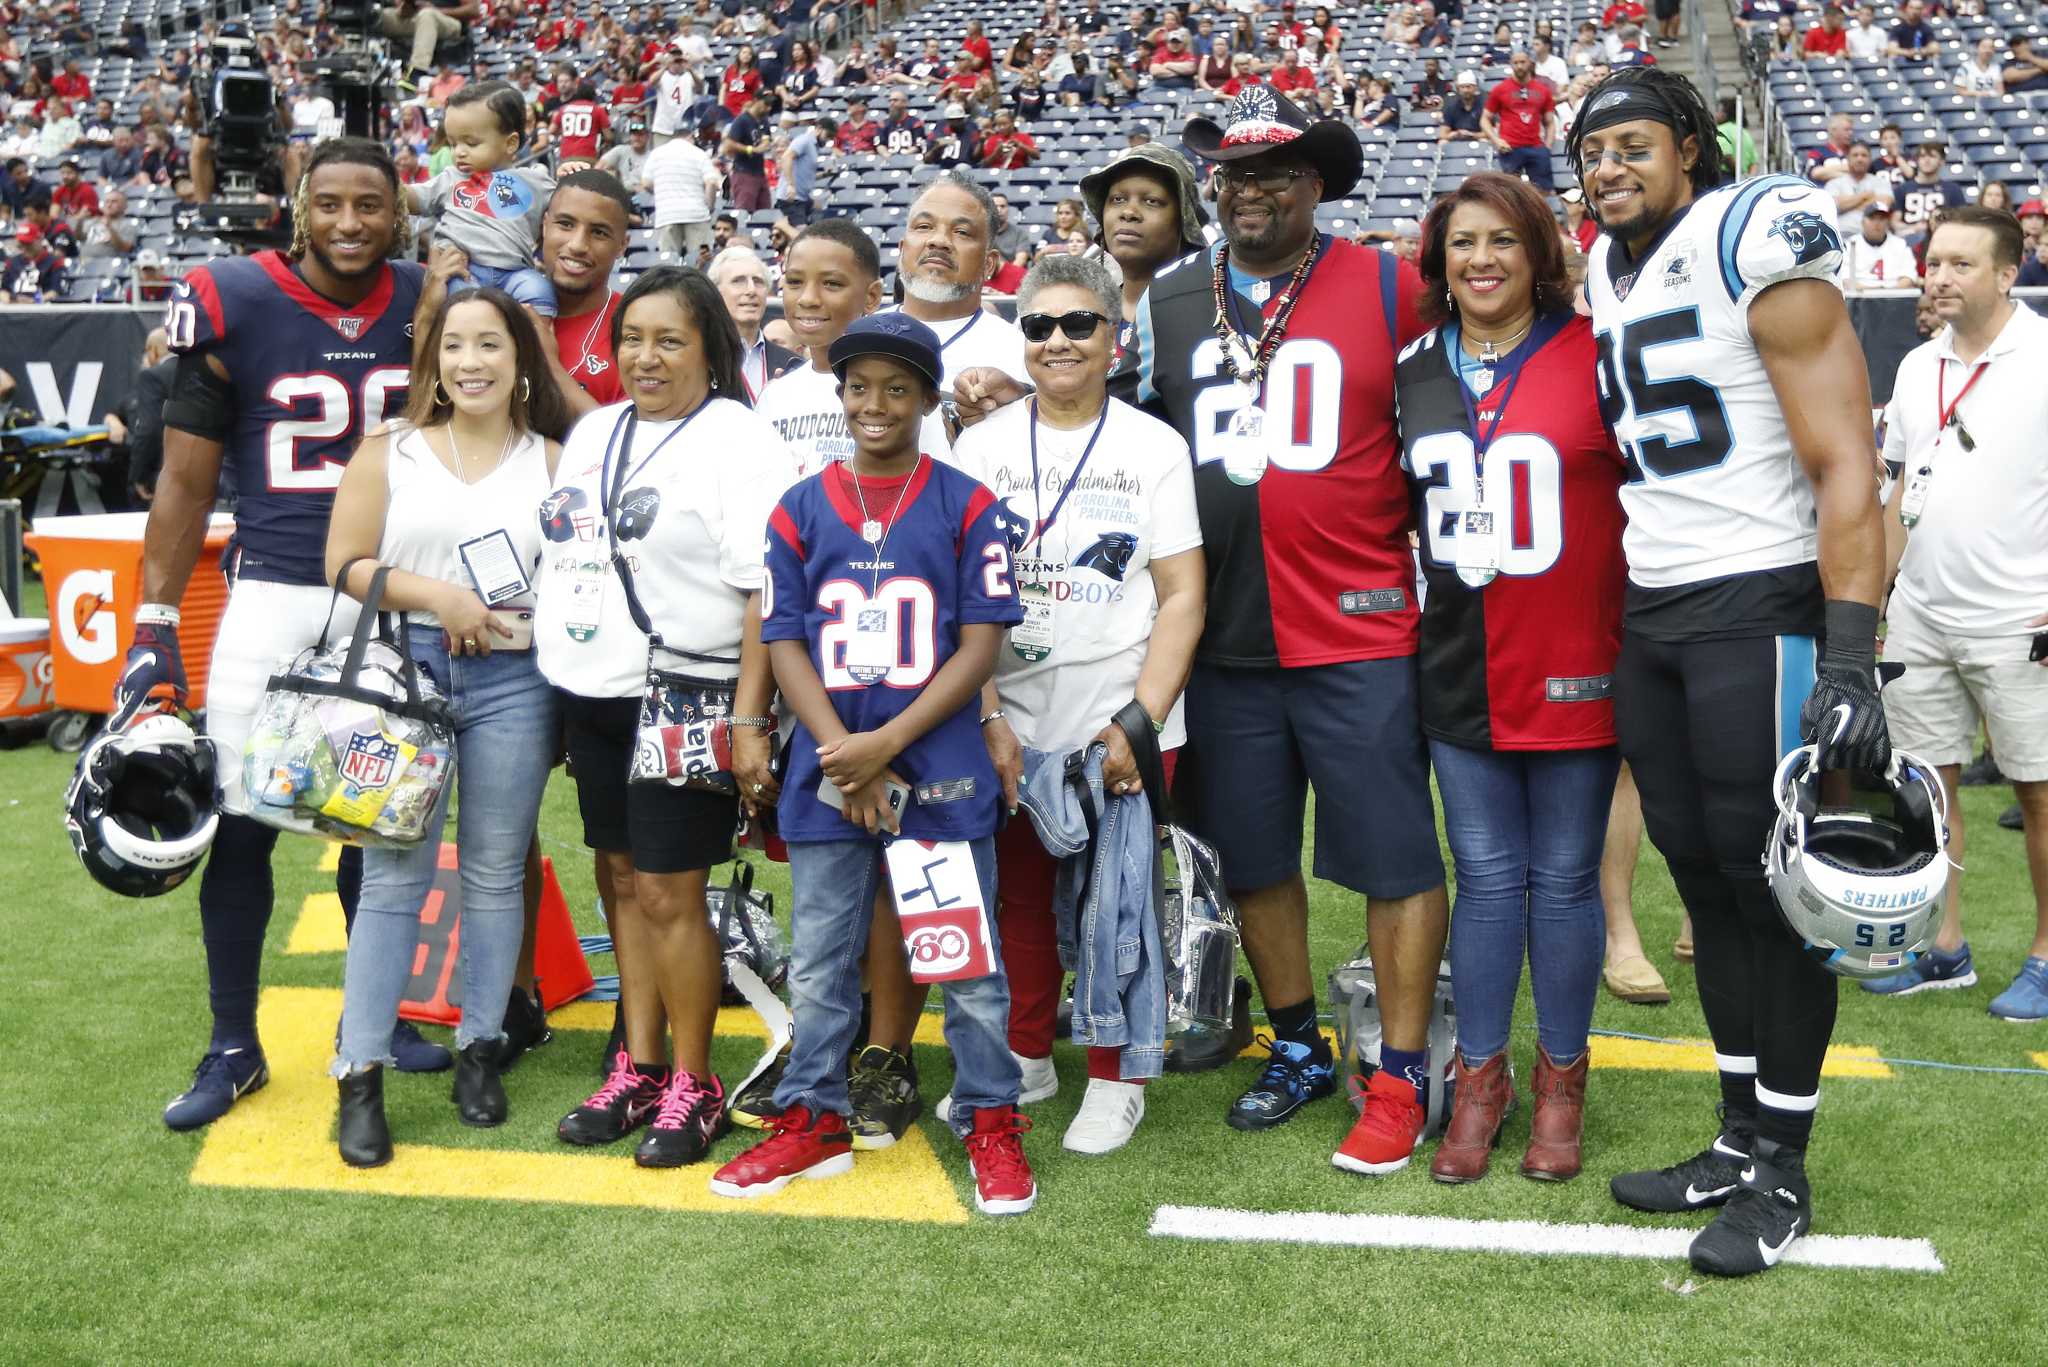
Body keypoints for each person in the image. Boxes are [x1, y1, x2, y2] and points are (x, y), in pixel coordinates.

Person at [964, 88, 1448, 1168]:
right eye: (1232, 173)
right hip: (1224, 632)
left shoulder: (1385, 282)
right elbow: (1112, 423)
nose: (1251, 189)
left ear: (1315, 181)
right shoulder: (1174, 293)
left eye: (1274, 170)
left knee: (1391, 855)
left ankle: (1404, 1068)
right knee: (1252, 854)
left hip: (1357, 620)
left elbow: (1456, 412)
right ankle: (1292, 1040)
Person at [1572, 67, 1892, 1276]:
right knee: (1700, 882)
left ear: (1692, 148)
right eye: (1591, 151)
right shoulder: (1607, 266)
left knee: (1770, 892)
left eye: (1632, 144)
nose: (1608, 167)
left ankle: (1785, 1169)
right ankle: (1734, 1132)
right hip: (1656, 608)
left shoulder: (1749, 227)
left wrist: (1850, 650)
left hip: (1756, 599)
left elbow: (1844, 458)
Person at [113, 139, 446, 1132]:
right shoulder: (233, 295)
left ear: (397, 213)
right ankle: (232, 1041)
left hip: (383, 596)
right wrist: (154, 621)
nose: (352, 224)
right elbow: (183, 476)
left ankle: (372, 1018)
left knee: (369, 824)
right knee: (245, 824)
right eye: (333, 204)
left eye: (371, 206)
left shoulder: (428, 299)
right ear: (301, 207)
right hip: (272, 594)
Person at [711, 312, 1034, 1213]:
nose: (876, 404)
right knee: (819, 960)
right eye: (859, 387)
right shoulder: (800, 505)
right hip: (831, 764)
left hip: (935, 765)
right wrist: (838, 755)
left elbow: (979, 649)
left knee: (963, 962)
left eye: (898, 387)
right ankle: (812, 1117)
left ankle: (991, 1115)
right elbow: (781, 637)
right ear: (839, 394)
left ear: (931, 399)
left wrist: (883, 747)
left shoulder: (968, 503)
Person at [1395, 173, 1627, 1183]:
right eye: (1459, 244)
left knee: (1564, 877)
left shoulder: (1597, 355)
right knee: (1486, 877)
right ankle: (1480, 1076)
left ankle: (1561, 1080)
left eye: (1500, 241)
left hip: (1576, 649)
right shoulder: (1408, 367)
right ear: (1436, 261)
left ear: (1538, 252)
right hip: (1456, 653)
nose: (1479, 260)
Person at [532, 266, 787, 1166]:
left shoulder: (739, 441)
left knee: (671, 892)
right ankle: (637, 1064)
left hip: (691, 689)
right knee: (619, 877)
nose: (645, 355)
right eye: (632, 337)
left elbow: (765, 592)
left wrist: (750, 719)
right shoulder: (595, 428)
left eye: (669, 339)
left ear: (710, 349)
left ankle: (694, 1079)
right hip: (592, 691)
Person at [955, 253, 1206, 1155]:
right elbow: (961, 592)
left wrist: (1139, 718)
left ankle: (1116, 1073)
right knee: (1015, 896)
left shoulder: (1153, 445)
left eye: (1078, 324)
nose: (1057, 341)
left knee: (1120, 899)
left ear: (1114, 336)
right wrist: (985, 713)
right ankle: (1027, 1054)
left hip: (1120, 706)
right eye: (1038, 325)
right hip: (1012, 710)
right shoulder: (979, 448)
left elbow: (1182, 592)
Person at [322, 289, 571, 1166]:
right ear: (432, 360)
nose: (472, 362)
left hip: (518, 673)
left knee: (500, 870)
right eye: (454, 346)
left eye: (491, 345)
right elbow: (345, 565)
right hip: (406, 673)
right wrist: (442, 597)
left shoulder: (551, 458)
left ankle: (479, 1047)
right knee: (395, 876)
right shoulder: (389, 449)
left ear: (519, 357)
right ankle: (360, 1073)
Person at [1867, 207, 2048, 1019]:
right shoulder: (1914, 366)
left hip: (2023, 616)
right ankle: (1941, 948)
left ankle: (2047, 956)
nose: (1937, 276)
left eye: (1959, 264)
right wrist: (1877, 593)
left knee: (2040, 792)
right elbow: (1904, 488)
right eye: (1932, 261)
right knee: (1924, 790)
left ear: (2008, 274)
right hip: (1922, 615)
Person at [876, 171, 1028, 467]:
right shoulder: (855, 341)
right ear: (902, 249)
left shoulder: (1022, 355)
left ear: (989, 264)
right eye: (924, 226)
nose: (939, 241)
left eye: (961, 232)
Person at [406, 82, 557, 317]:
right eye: (453, 143)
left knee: (540, 289)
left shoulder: (535, 180)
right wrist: (383, 183)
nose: (459, 152)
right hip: (463, 272)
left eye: (471, 143)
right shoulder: (451, 178)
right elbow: (414, 198)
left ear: (510, 143)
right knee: (466, 307)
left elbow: (570, 203)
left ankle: (541, 346)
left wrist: (572, 173)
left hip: (515, 273)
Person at [756, 217, 885, 479]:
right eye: (794, 282)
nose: (808, 299)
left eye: (832, 284)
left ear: (871, 297)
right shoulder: (773, 397)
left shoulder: (900, 394)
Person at [1081, 142, 1209, 365]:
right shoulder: (1081, 313)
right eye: (1117, 200)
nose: (1129, 212)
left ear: (1183, 222)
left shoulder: (1214, 313)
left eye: (1152, 201)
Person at [707, 244, 802, 400]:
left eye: (758, 281)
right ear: (716, 292)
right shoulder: (701, 359)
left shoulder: (793, 364)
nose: (751, 290)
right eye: (738, 281)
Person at [641, 121, 720, 263]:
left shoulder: (657, 154)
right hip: (696, 214)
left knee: (669, 264)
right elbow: (712, 182)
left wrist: (661, 192)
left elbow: (646, 183)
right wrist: (710, 206)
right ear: (690, 137)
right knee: (699, 262)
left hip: (667, 214)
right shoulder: (698, 153)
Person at [1483, 52, 1559, 191]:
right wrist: (1496, 140)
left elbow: (1550, 121)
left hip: (1536, 147)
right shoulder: (1500, 90)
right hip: (1510, 148)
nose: (1519, 66)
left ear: (1529, 63)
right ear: (1511, 64)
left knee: (1544, 191)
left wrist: (1547, 147)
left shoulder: (1543, 91)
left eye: (1523, 62)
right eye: (1516, 63)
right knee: (1511, 193)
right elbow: (1485, 119)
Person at [1894, 141, 1969, 245]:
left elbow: (1962, 221)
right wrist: (1914, 228)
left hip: (1943, 241)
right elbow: (1894, 223)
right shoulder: (1902, 189)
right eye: (1923, 156)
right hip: (1908, 242)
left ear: (1942, 161)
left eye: (1932, 156)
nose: (1927, 160)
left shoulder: (1953, 189)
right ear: (1917, 160)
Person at [720, 93, 775, 219]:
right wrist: (751, 149)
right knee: (744, 214)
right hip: (744, 173)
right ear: (756, 100)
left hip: (760, 173)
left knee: (765, 214)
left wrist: (765, 144)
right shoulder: (742, 120)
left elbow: (766, 138)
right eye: (766, 104)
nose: (768, 108)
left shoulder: (764, 120)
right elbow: (728, 145)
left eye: (770, 105)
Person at [1842, 203, 1917, 289]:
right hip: (1859, 298)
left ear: (1888, 222)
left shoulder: (1900, 245)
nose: (1877, 223)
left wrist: (1888, 294)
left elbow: (1908, 278)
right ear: (1862, 222)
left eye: (1881, 219)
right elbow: (1845, 280)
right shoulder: (1850, 245)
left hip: (1894, 297)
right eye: (1872, 218)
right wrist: (1873, 294)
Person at [1827, 141, 1893, 238]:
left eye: (1864, 155)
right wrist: (1864, 196)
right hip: (1842, 235)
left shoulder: (1881, 182)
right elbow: (1833, 207)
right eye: (1855, 155)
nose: (1859, 159)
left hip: (1874, 237)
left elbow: (1883, 205)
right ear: (1848, 159)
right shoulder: (1834, 183)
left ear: (1870, 160)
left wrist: (1847, 203)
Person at [598, 120, 650, 191]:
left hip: (646, 192)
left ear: (647, 137)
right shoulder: (621, 150)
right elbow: (599, 167)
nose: (637, 138)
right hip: (624, 192)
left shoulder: (653, 156)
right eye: (634, 134)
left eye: (640, 135)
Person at [1441, 72, 1488, 145]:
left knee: (1485, 141)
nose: (1465, 90)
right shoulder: (1451, 107)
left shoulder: (1483, 106)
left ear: (1475, 88)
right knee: (1442, 143)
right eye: (1462, 87)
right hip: (1457, 140)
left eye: (1468, 87)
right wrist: (1456, 134)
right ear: (1458, 89)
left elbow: (1490, 133)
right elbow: (1443, 134)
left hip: (1477, 140)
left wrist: (1472, 135)